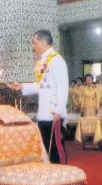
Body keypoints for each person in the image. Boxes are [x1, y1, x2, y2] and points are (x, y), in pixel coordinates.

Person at [8, 30, 69, 164]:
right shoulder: (42, 61)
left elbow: (63, 88)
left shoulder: (57, 60)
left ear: (42, 42)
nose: (33, 46)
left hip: (53, 113)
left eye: (34, 43)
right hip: (43, 113)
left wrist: (59, 111)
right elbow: (41, 86)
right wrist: (22, 86)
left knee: (56, 147)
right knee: (46, 148)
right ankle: (51, 176)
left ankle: (63, 176)